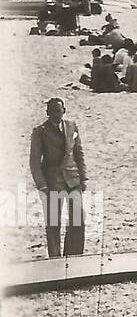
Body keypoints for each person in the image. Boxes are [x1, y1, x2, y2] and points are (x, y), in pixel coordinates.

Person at [29, 98, 88, 258]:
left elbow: (78, 153)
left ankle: (73, 256)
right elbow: (34, 161)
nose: (56, 115)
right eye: (53, 112)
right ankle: (55, 258)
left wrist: (83, 178)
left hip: (72, 178)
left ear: (64, 111)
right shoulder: (40, 131)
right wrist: (41, 185)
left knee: (78, 217)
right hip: (52, 182)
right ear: (47, 113)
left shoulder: (71, 126)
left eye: (59, 111)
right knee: (53, 222)